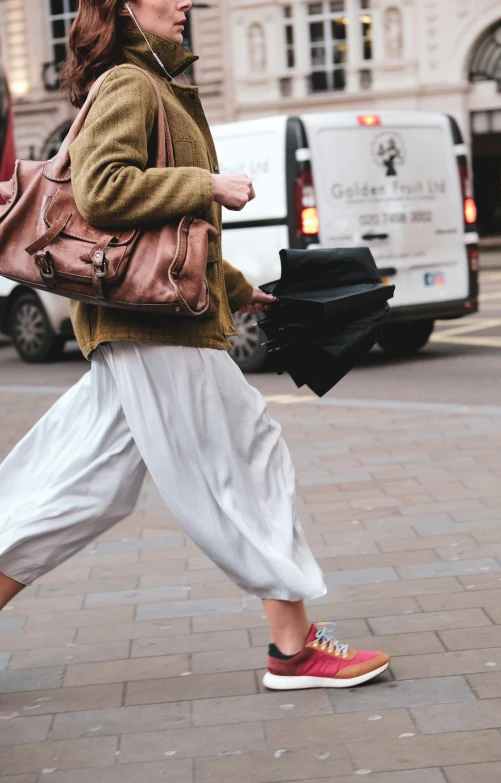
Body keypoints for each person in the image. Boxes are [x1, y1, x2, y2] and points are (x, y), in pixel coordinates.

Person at [0, 0, 390, 690]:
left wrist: (237, 288)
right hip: (154, 328)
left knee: (75, 483)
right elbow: (102, 191)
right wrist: (206, 182)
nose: (185, 3)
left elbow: (175, 233)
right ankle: (294, 649)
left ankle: (294, 645)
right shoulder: (129, 82)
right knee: (247, 452)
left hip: (144, 324)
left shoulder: (159, 81)